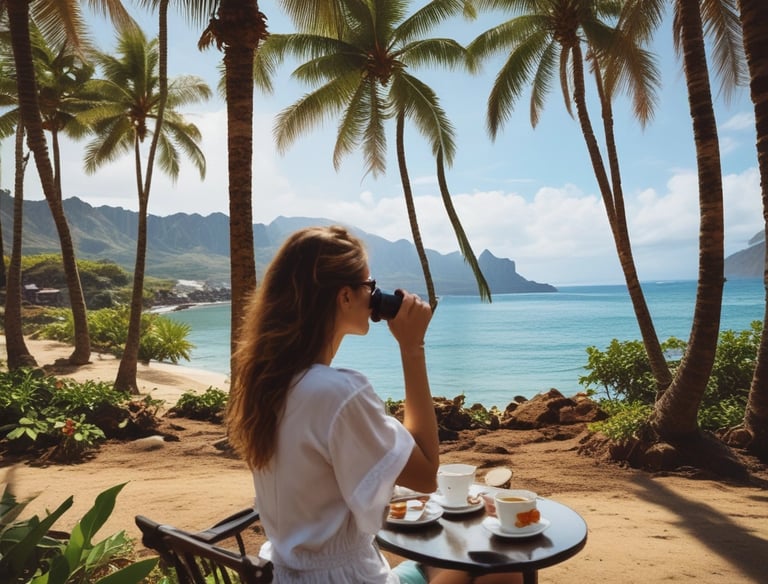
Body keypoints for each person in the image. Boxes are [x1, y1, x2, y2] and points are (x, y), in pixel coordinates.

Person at [227, 225, 517, 584]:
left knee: (451, 561)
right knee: (503, 565)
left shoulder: (269, 383)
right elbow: (426, 474)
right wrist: (413, 349)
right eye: (370, 286)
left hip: (287, 574)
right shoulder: (335, 393)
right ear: (345, 297)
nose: (374, 295)